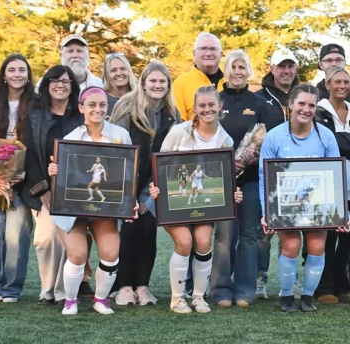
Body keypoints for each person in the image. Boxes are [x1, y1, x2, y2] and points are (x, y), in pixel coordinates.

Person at [45, 87, 136, 315]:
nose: (97, 109)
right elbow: (64, 176)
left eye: (102, 105)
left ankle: (101, 299)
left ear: (108, 108)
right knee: (77, 254)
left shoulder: (120, 135)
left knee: (110, 252)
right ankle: (71, 300)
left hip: (104, 209)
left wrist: (129, 200)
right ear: (81, 108)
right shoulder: (70, 138)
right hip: (72, 208)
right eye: (92, 104)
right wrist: (54, 170)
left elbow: (127, 173)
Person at [260, 85, 346, 312]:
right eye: (301, 103)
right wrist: (266, 212)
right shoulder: (274, 136)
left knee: (317, 246)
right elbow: (264, 177)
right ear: (290, 104)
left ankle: (307, 297)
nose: (306, 109)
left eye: (311, 105)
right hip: (286, 203)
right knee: (291, 246)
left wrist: (342, 212)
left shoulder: (326, 136)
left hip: (317, 203)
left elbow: (336, 174)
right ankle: (287, 296)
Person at [156, 86, 238, 313]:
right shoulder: (178, 132)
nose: (207, 109)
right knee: (184, 242)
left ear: (220, 106)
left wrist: (233, 193)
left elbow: (225, 179)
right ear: (194, 107)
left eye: (211, 104)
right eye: (202, 105)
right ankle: (177, 298)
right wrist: (158, 190)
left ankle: (199, 297)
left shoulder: (226, 140)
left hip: (204, 204)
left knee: (203, 243)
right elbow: (161, 164)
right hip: (173, 202)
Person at [110, 61, 179, 306]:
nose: (158, 85)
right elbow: (118, 150)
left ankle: (143, 286)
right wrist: (128, 193)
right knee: (129, 229)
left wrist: (149, 194)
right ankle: (124, 287)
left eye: (163, 81)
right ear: (143, 82)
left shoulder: (173, 113)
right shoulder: (126, 107)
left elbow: (170, 155)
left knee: (148, 230)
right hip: (126, 180)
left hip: (153, 184)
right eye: (153, 80)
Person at [208, 49, 271, 307]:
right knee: (224, 236)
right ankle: (221, 289)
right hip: (221, 180)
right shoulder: (216, 100)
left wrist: (246, 159)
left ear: (249, 72)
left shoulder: (258, 104)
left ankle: (245, 290)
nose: (237, 72)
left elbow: (266, 140)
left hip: (251, 180)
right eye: (233, 67)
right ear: (226, 70)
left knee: (249, 234)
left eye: (242, 67)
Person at [23, 65, 82, 305]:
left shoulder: (80, 116)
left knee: (66, 239)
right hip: (42, 188)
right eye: (55, 80)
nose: (60, 85)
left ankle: (62, 293)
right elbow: (28, 154)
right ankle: (47, 290)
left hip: (73, 190)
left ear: (72, 87)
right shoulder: (34, 115)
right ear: (47, 85)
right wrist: (43, 190)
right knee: (46, 238)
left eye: (66, 81)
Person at [0, 54, 36, 303]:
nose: (17, 74)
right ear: (3, 75)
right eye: (11, 69)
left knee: (17, 234)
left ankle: (12, 288)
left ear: (28, 74)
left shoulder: (37, 104)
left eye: (21, 70)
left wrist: (18, 177)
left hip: (23, 183)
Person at [315, 66, 350, 303]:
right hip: (327, 184)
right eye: (337, 81)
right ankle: (323, 286)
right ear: (327, 84)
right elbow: (325, 143)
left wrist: (340, 142)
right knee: (326, 236)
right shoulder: (318, 111)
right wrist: (348, 143)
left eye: (346, 82)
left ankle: (342, 285)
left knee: (349, 237)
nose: (342, 86)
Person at [172, 32, 224, 120]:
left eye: (213, 49)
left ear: (221, 54)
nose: (208, 53)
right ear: (194, 54)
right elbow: (178, 125)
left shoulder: (230, 83)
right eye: (203, 48)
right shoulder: (180, 85)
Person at [316, 43, 350, 109]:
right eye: (329, 60)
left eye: (338, 60)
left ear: (344, 63)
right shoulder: (313, 94)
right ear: (321, 65)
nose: (334, 64)